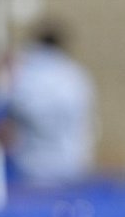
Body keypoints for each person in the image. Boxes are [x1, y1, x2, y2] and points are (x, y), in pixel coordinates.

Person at [7, 18, 96, 185]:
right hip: (72, 163)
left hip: (32, 165)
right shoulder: (75, 75)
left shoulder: (28, 75)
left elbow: (17, 108)